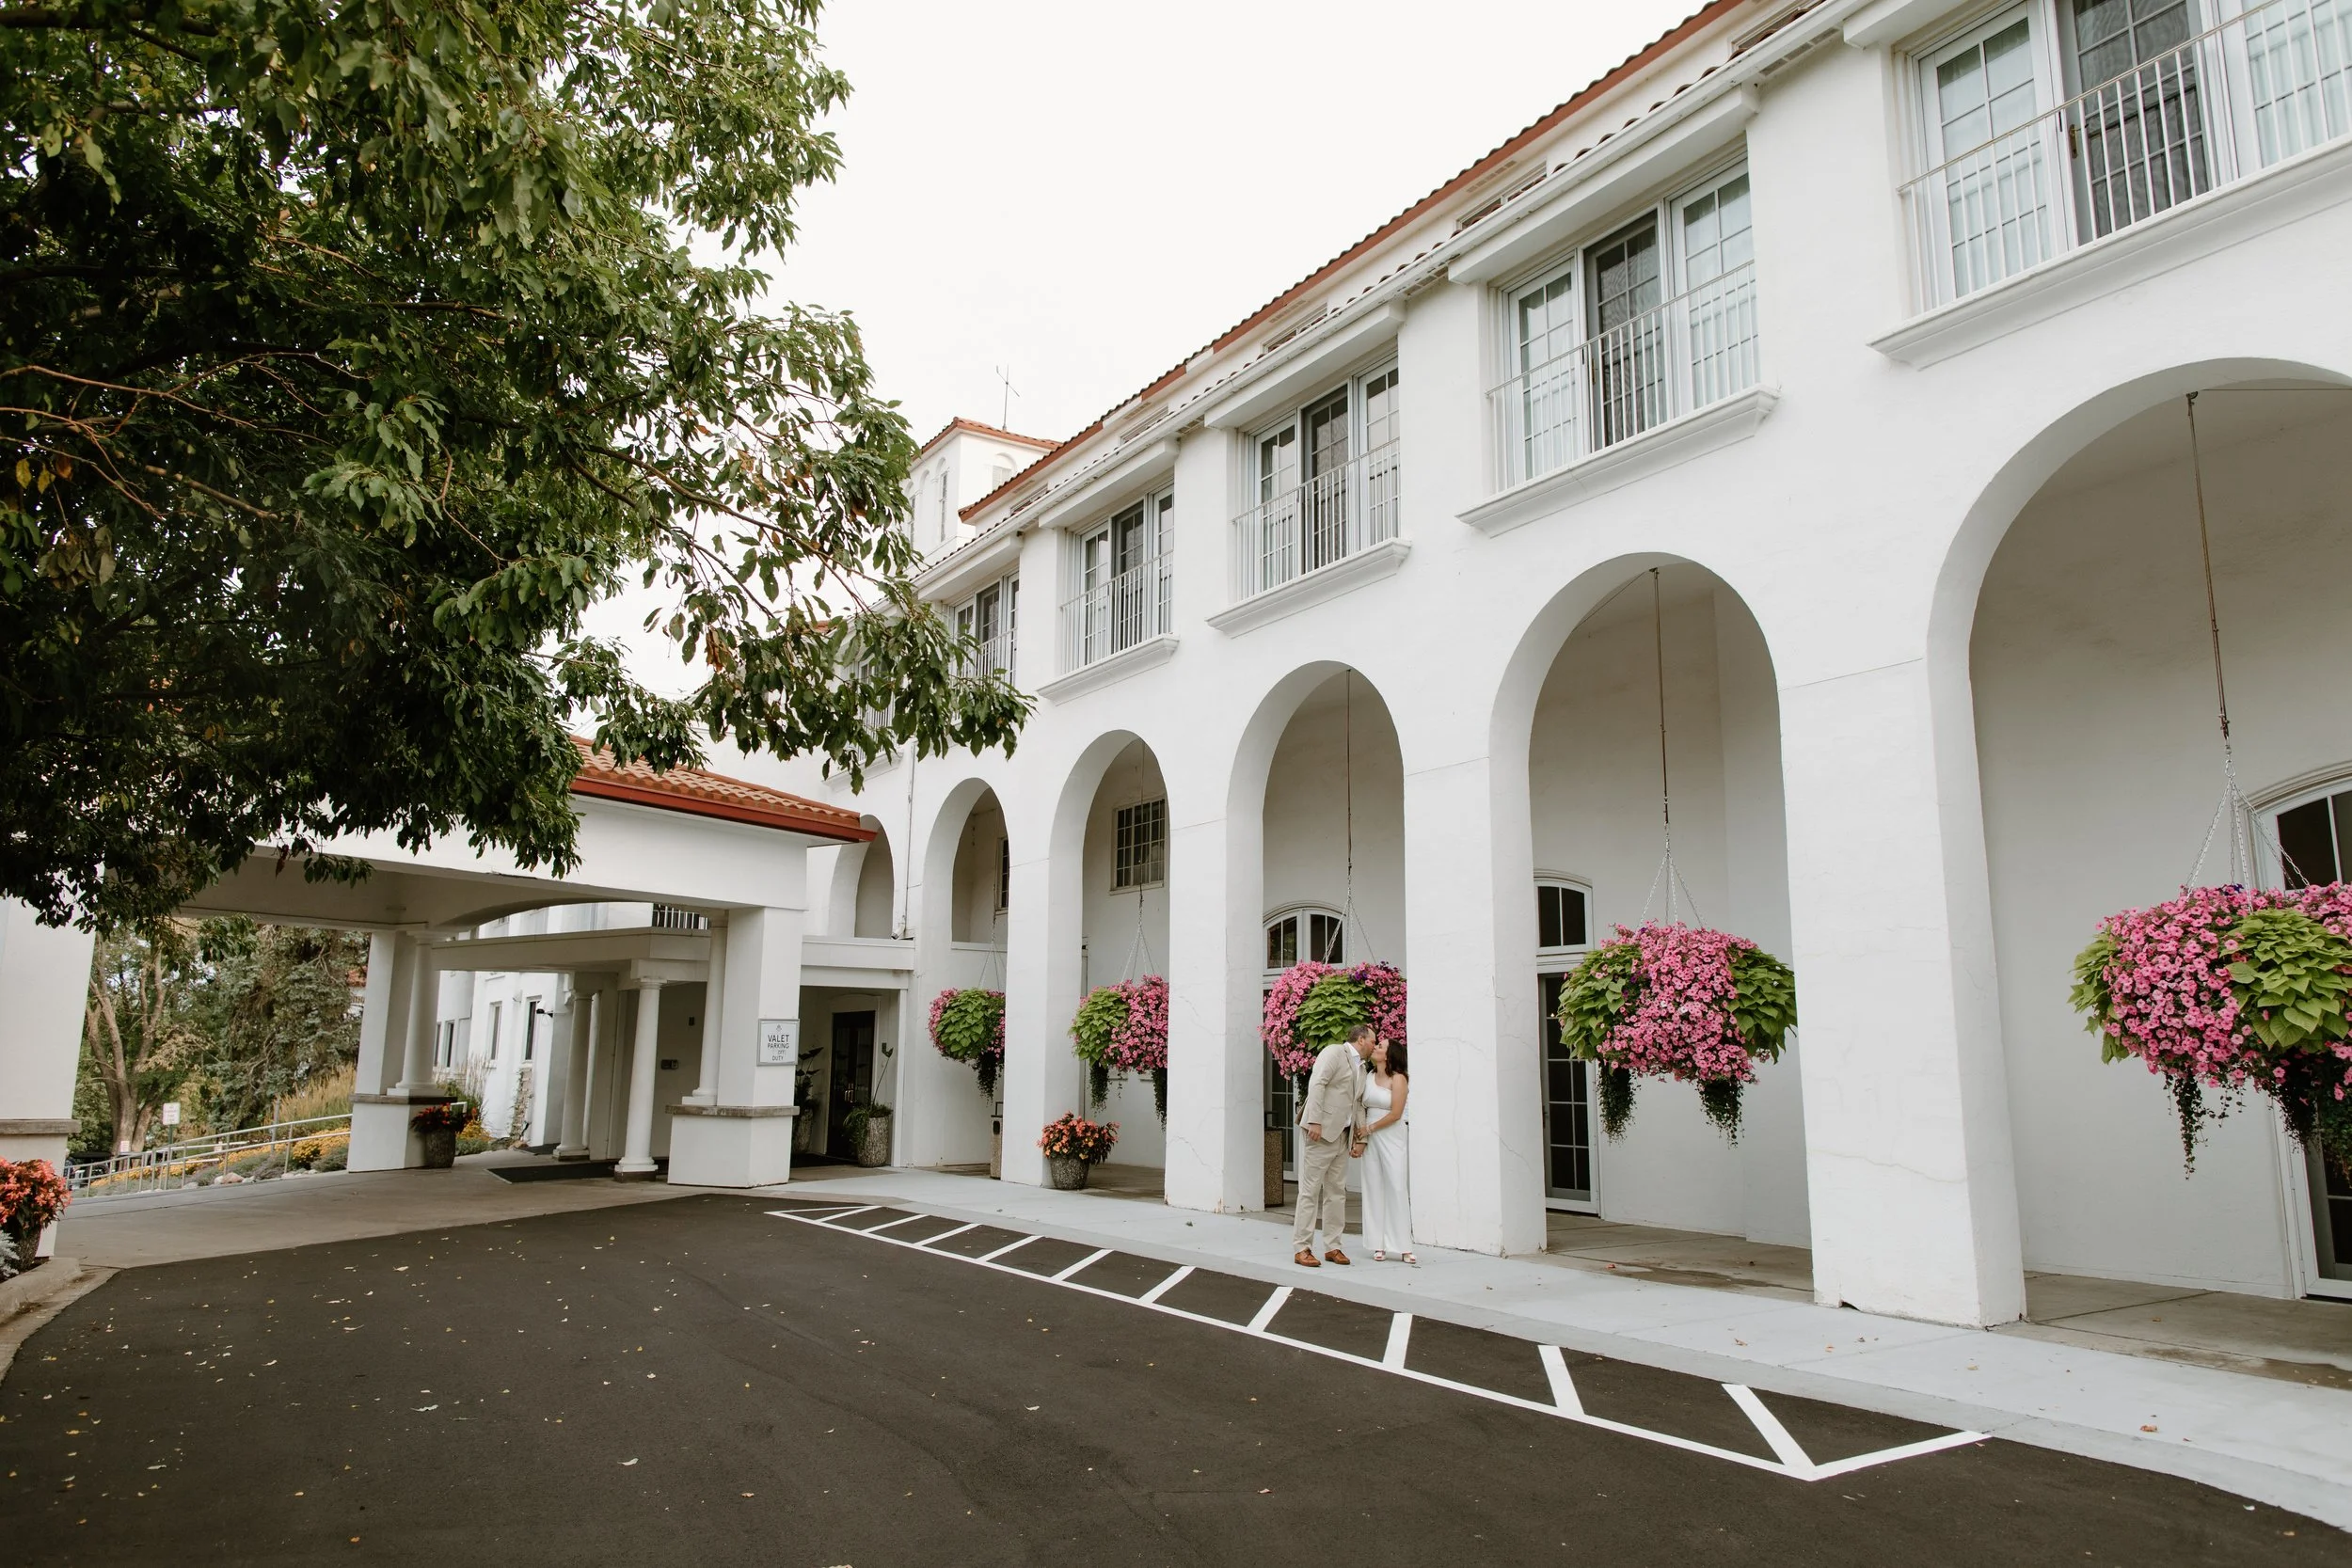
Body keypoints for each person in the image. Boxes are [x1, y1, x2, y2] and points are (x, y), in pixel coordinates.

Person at [1292, 1022, 1372, 1267]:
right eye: (1372, 1040)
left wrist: (1360, 1138)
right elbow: (1317, 1084)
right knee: (1310, 1192)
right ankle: (1302, 1248)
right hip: (1320, 1133)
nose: (1374, 1044)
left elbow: (1357, 1104)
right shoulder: (1334, 1053)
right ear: (1360, 1039)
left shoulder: (1362, 1067)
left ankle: (1333, 1247)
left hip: (1343, 1136)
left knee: (1337, 1194)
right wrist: (1315, 1121)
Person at [1360, 1037, 1414, 1263]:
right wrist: (1362, 1135)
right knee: (1373, 1186)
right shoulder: (1368, 1077)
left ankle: (1403, 1245)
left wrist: (1369, 1129)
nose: (1375, 1047)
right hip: (1370, 1136)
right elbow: (1359, 1105)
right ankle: (1377, 1243)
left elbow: (1395, 1113)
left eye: (1380, 1046)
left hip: (1391, 1134)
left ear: (1389, 1055)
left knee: (1396, 1186)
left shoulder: (1398, 1079)